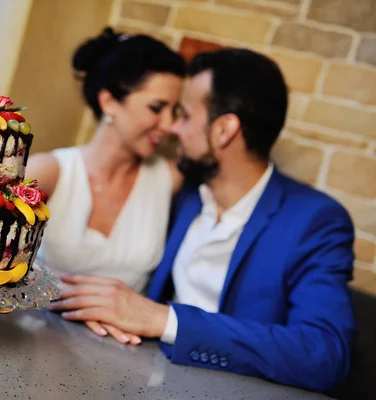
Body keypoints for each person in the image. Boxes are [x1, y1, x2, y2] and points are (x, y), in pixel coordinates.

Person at [49, 48, 356, 393]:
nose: (173, 128)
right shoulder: (185, 193)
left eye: (185, 115)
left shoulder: (314, 220)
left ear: (224, 130)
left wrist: (162, 320)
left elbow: (325, 355)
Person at [27, 28, 186, 344]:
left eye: (175, 111)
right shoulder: (48, 173)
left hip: (125, 351)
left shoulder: (171, 180)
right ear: (109, 101)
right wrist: (66, 291)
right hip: (30, 335)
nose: (169, 125)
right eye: (157, 108)